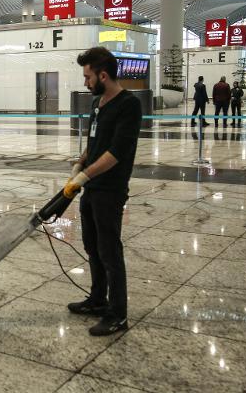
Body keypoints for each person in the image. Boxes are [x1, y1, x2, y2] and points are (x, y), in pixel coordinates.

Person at [67, 47, 142, 337]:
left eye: (88, 77)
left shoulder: (129, 105)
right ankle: (98, 299)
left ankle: (117, 314)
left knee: (110, 251)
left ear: (103, 74)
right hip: (91, 188)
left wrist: (85, 175)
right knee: (92, 246)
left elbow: (115, 153)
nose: (85, 82)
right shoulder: (97, 102)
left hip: (110, 190)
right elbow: (95, 142)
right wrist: (80, 162)